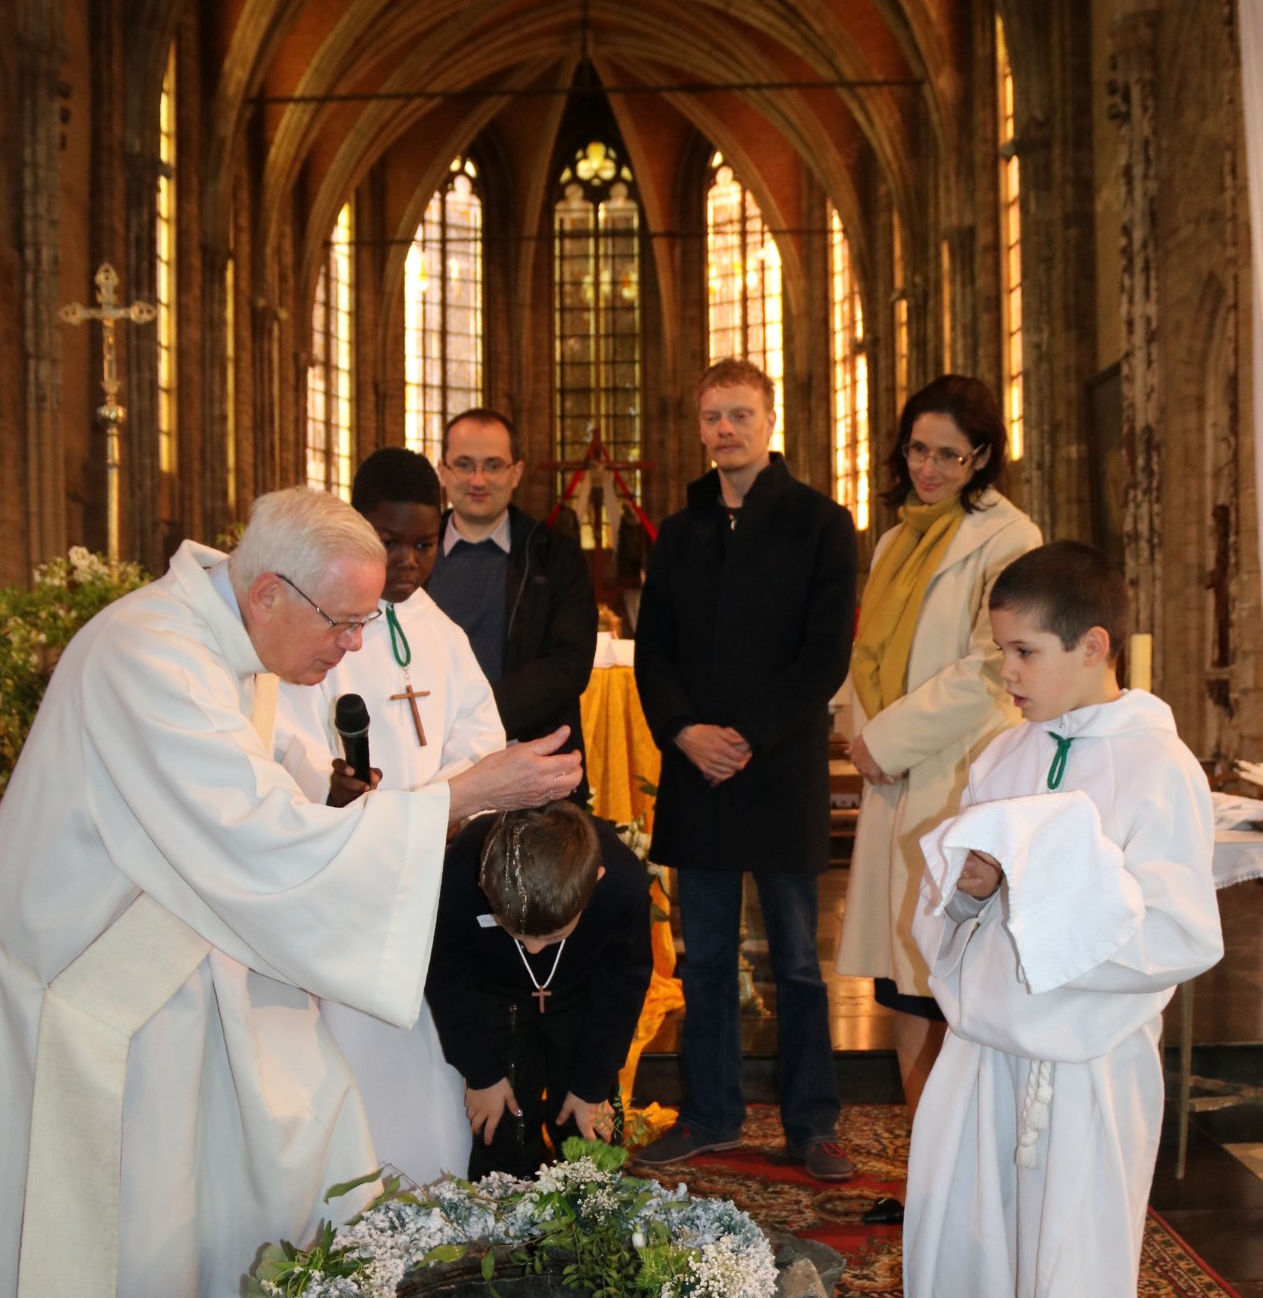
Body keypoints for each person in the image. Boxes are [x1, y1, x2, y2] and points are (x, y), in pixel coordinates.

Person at [0, 487, 581, 1298]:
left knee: (298, 1149)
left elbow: (273, 791)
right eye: (343, 624)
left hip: (184, 967)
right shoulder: (148, 659)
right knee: (136, 1239)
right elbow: (256, 839)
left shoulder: (221, 647)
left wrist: (370, 799)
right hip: (98, 1001)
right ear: (267, 591)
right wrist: (459, 796)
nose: (353, 652)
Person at [903, 542, 1222, 1298]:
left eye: (1023, 654)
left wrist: (1046, 887)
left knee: (1072, 1266)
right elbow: (943, 912)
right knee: (965, 1245)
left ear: (1092, 647)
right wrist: (967, 889)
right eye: (999, 654)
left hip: (1084, 1066)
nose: (1006, 676)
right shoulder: (1000, 753)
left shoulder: (1155, 764)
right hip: (985, 1051)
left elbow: (1177, 932)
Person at [631, 358, 858, 1179]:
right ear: (698, 428)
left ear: (770, 423)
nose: (724, 429)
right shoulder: (679, 531)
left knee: (797, 963)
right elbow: (653, 651)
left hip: (779, 767)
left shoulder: (822, 523)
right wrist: (687, 731)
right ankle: (712, 1113)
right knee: (707, 962)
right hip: (699, 773)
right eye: (712, 416)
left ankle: (812, 1122)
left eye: (740, 414)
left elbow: (824, 654)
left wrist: (747, 737)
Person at [274, 449, 506, 1184]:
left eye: (423, 543)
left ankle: (433, 1181)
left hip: (429, 866)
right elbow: (287, 731)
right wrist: (329, 787)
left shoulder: (442, 633)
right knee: (353, 1045)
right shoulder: (320, 618)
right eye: (388, 541)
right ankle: (350, 1188)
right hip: (350, 870)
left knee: (431, 1040)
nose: (406, 561)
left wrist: (449, 809)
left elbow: (480, 737)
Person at [836, 375, 1042, 1118]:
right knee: (901, 977)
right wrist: (863, 731)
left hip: (955, 773)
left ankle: (955, 1159)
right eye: (918, 450)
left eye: (949, 456)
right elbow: (876, 651)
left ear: (982, 456)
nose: (928, 469)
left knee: (946, 974)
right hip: (896, 777)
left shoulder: (1010, 537)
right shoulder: (897, 535)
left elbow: (993, 666)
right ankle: (924, 1162)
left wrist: (885, 739)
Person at [426, 803, 653, 1181]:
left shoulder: (622, 882)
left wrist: (593, 1084)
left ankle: (587, 1216)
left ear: (595, 880)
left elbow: (623, 985)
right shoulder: (457, 874)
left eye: (552, 936)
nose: (534, 949)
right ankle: (508, 1218)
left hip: (583, 994)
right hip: (493, 992)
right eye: (515, 932)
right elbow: (447, 979)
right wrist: (480, 1074)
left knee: (588, 1132)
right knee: (499, 1128)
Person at [427, 407, 597, 779]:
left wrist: (476, 723)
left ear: (516, 472)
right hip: (425, 762)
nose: (478, 479)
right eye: (464, 464)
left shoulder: (555, 556)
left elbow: (568, 663)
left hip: (528, 757)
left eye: (493, 465)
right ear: (442, 470)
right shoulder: (410, 557)